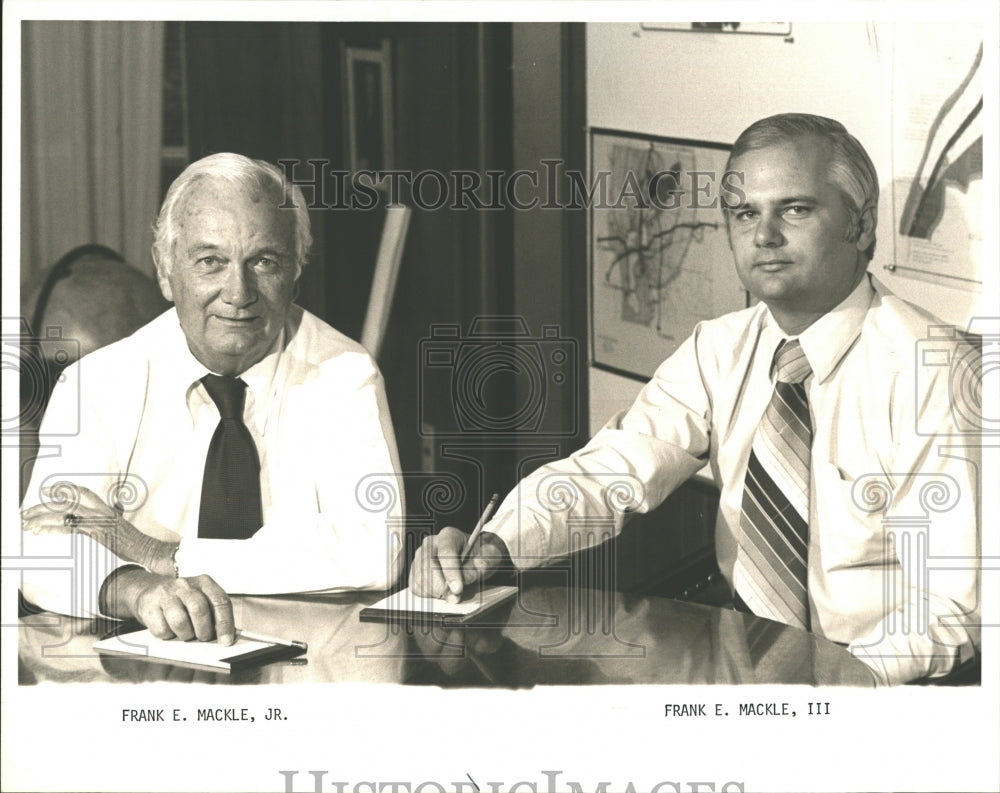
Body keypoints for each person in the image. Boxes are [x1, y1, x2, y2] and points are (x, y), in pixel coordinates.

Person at [411, 113, 981, 685]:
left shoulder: (935, 372)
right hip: (743, 657)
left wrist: (833, 688)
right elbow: (613, 469)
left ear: (861, 226)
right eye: (744, 213)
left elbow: (954, 606)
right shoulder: (719, 348)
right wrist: (496, 544)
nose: (764, 236)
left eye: (795, 209)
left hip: (879, 682)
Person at [20, 153, 404, 645]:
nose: (238, 292)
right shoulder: (97, 384)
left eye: (264, 261)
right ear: (165, 271)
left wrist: (164, 555)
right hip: (150, 666)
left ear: (296, 273)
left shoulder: (344, 374)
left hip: (309, 662)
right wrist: (135, 587)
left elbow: (375, 550)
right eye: (210, 262)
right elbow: (39, 547)